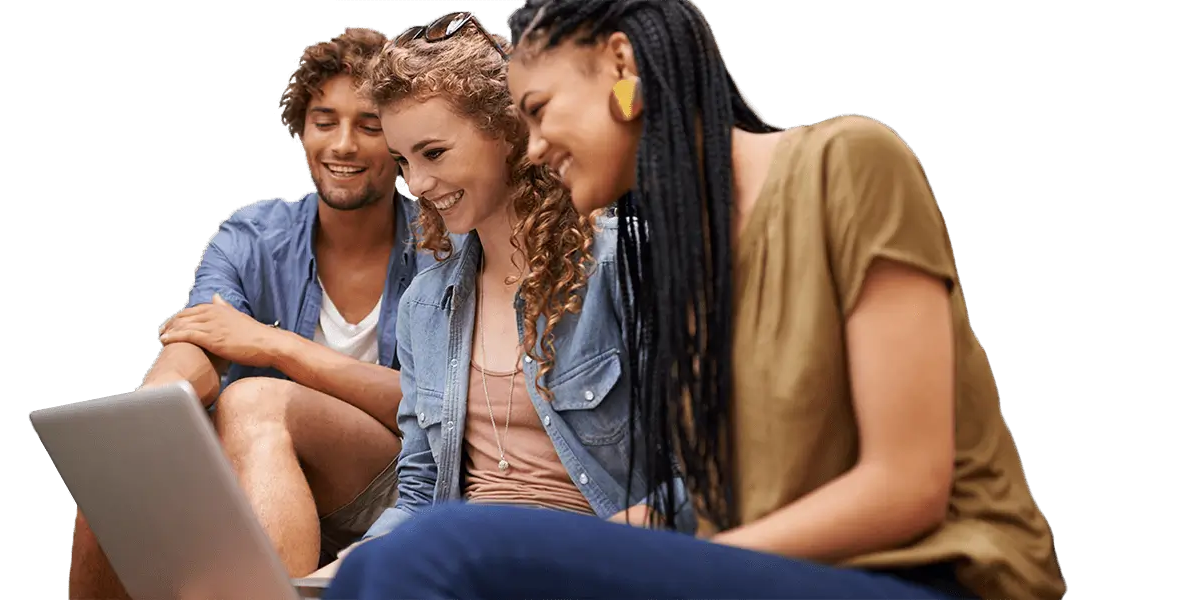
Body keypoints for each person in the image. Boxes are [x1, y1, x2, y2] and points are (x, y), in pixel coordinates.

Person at [323, 2, 1067, 600]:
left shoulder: (848, 163)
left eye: (542, 110)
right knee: (368, 573)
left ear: (622, 67)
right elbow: (714, 497)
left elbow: (906, 488)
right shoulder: (688, 256)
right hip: (785, 568)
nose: (536, 145)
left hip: (937, 572)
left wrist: (633, 567)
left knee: (440, 548)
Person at [310, 10, 695, 582]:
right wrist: (354, 564)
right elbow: (419, 491)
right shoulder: (425, 304)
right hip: (467, 567)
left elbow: (698, 481)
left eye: (433, 153)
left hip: (602, 564)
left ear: (509, 133)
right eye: (402, 162)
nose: (415, 184)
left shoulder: (623, 265)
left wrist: (586, 556)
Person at [69, 27, 433, 600]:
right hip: (269, 470)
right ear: (301, 128)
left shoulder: (441, 246)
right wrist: (145, 425)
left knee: (256, 397)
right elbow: (196, 343)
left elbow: (432, 404)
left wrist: (275, 345)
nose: (343, 144)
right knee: (114, 485)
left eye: (370, 124)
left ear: (401, 139)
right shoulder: (252, 237)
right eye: (324, 121)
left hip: (396, 475)